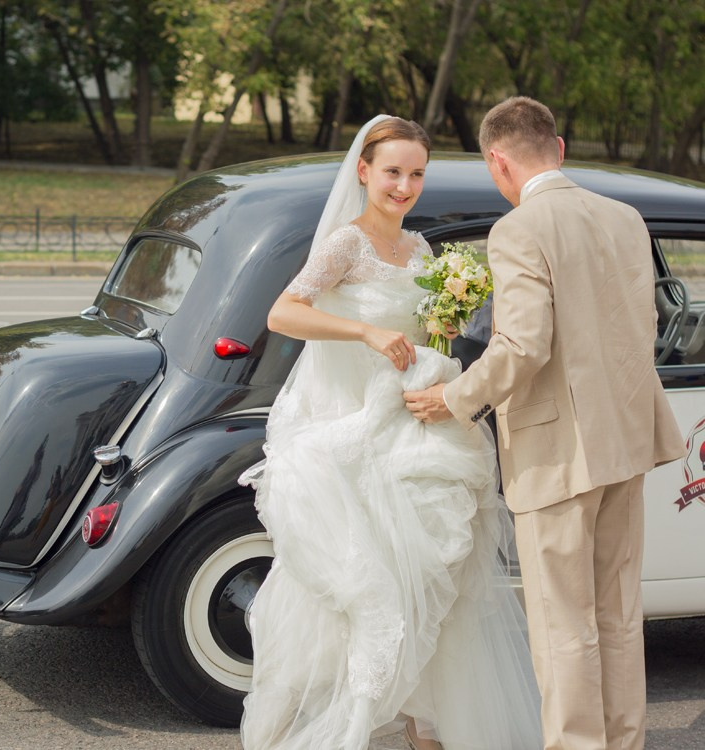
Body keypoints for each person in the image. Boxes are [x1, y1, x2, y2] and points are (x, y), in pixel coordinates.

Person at [238, 115, 543, 750]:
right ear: (364, 172)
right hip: (353, 428)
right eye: (393, 172)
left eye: (416, 174)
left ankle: (423, 727)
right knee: (370, 588)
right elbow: (283, 312)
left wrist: (442, 336)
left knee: (435, 580)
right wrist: (367, 332)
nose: (404, 186)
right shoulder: (345, 245)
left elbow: (426, 335)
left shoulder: (423, 250)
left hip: (411, 429)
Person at [403, 97, 685, 750]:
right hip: (628, 440)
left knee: (564, 625)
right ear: (555, 149)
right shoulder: (624, 217)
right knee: (618, 616)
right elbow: (637, 328)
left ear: (497, 161)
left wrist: (453, 398)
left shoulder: (519, 230)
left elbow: (523, 346)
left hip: (557, 452)